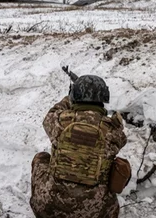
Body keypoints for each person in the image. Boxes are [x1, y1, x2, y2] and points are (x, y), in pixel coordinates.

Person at [30, 73, 127, 218]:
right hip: (96, 214)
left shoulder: (61, 121)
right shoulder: (113, 129)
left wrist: (68, 98)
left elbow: (50, 116)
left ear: (74, 96)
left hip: (49, 210)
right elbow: (121, 140)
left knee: (41, 158)